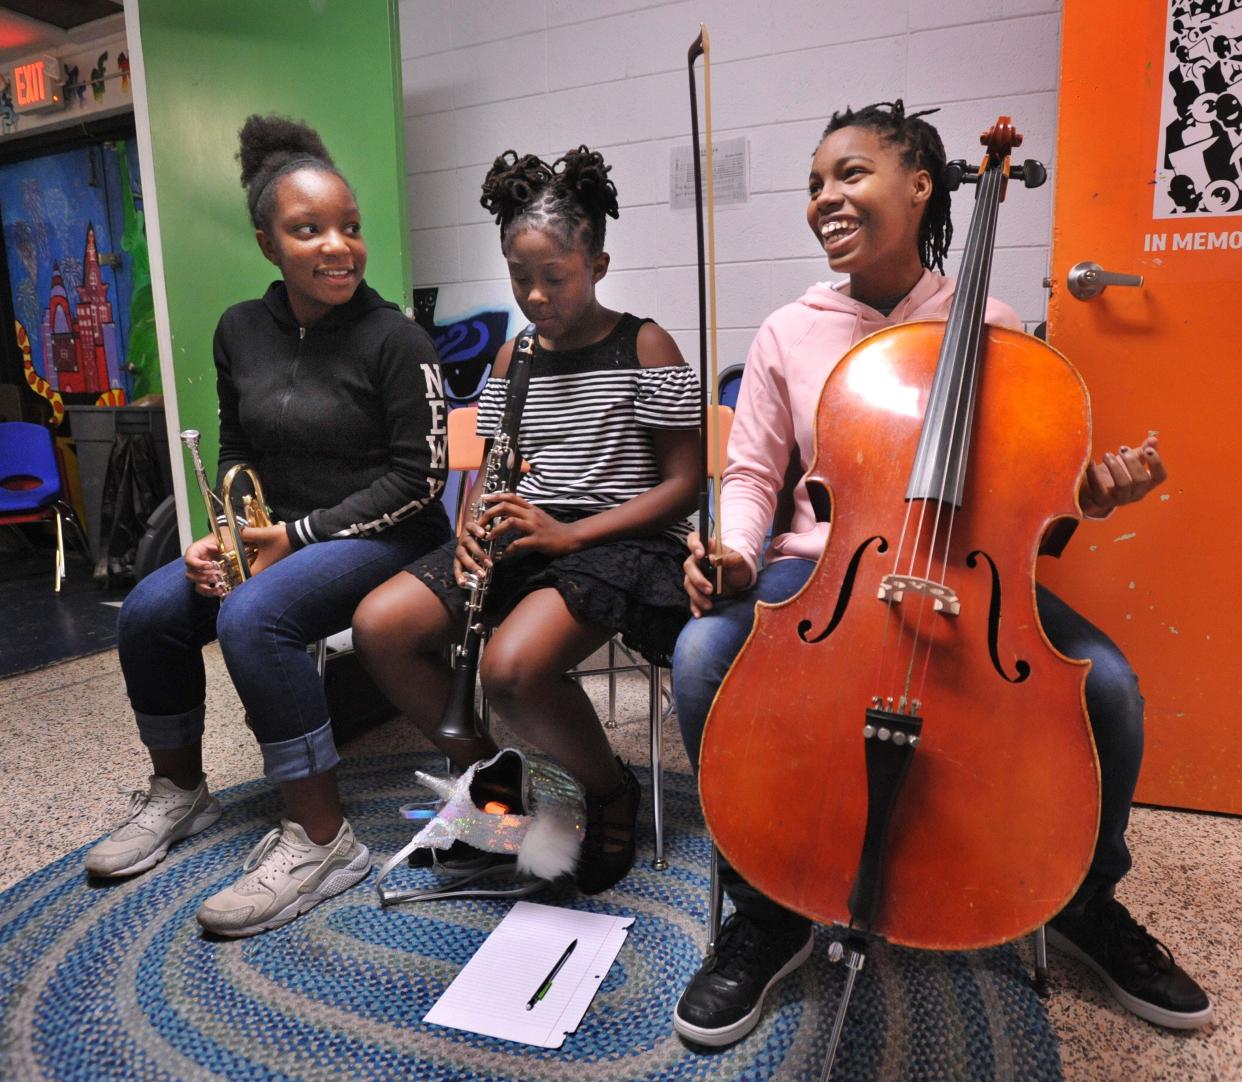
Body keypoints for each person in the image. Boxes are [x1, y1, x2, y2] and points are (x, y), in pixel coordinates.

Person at [670, 100, 1212, 1047]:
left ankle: (1087, 900)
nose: (824, 198)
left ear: (922, 187)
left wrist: (1089, 496)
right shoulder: (788, 331)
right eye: (813, 183)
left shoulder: (994, 325)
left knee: (1112, 687)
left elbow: (1027, 495)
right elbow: (754, 473)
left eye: (849, 174)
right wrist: (737, 550)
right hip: (826, 574)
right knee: (703, 653)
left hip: (971, 576)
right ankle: (767, 907)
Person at [85, 115, 451, 937]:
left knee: (255, 618)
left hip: (388, 535)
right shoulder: (238, 331)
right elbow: (238, 448)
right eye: (309, 229)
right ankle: (180, 792)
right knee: (150, 611)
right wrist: (221, 530)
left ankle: (324, 840)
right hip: (279, 533)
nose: (338, 246)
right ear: (266, 243)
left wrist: (298, 536)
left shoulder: (397, 339)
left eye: (350, 227)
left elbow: (420, 478)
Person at [352, 146, 699, 894]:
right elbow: (497, 466)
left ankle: (607, 788)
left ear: (598, 264)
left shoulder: (645, 344)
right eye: (519, 277)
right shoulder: (516, 356)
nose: (535, 296)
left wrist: (571, 534)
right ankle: (491, 784)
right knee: (381, 625)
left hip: (620, 538)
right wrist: (475, 522)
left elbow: (685, 485)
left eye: (555, 277)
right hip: (533, 531)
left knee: (510, 667)